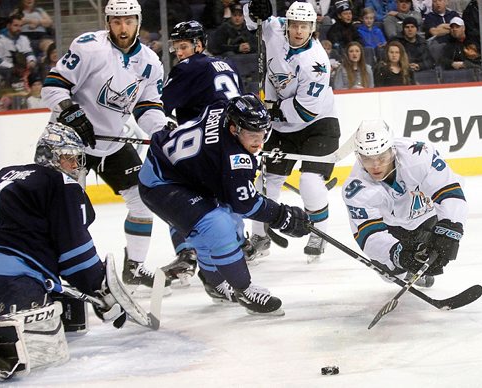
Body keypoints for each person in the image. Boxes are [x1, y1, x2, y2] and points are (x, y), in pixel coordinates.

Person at [41, 0, 174, 293]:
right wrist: (71, 111)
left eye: (128, 21)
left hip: (111, 142)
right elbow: (52, 85)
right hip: (70, 139)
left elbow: (148, 106)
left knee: (142, 198)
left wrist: (160, 129)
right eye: (116, 21)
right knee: (66, 211)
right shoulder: (89, 47)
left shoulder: (150, 62)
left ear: (138, 22)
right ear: (107, 22)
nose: (122, 28)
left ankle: (135, 267)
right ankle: (57, 273)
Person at [139, 94, 310, 315]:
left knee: (220, 227)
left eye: (263, 133)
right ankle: (245, 291)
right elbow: (245, 204)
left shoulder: (222, 108)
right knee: (217, 225)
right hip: (161, 183)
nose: (259, 141)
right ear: (234, 129)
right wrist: (282, 217)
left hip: (181, 172)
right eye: (251, 134)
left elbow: (222, 100)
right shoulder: (234, 158)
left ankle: (215, 285)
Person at [0, 123, 125, 381]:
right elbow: (75, 252)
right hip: (13, 277)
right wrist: (98, 289)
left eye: (77, 159)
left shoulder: (6, 173)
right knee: (32, 335)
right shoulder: (61, 182)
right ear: (49, 155)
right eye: (68, 158)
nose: (75, 166)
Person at [245, 1, 341, 260]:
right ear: (287, 25)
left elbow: (306, 110)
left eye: (304, 26)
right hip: (282, 126)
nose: (298, 30)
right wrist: (253, 10)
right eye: (294, 25)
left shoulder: (317, 62)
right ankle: (260, 235)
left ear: (312, 28)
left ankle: (319, 233)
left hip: (318, 125)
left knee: (309, 181)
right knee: (265, 181)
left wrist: (270, 110)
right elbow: (254, 23)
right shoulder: (276, 30)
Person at [161, 19, 248, 285]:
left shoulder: (187, 68)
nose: (180, 52)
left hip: (201, 144)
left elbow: (159, 105)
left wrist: (162, 126)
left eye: (184, 46)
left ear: (198, 45)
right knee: (228, 195)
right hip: (233, 139)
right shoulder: (228, 64)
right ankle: (237, 245)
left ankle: (188, 254)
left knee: (175, 193)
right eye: (177, 47)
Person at [342, 119, 467, 288]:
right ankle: (407, 270)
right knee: (391, 274)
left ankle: (421, 257)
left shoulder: (418, 155)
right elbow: (368, 233)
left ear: (392, 150)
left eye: (381, 157)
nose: (376, 165)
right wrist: (398, 254)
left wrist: (450, 229)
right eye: (367, 159)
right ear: (358, 156)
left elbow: (448, 191)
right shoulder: (356, 189)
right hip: (392, 226)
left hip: (427, 215)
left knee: (441, 246)